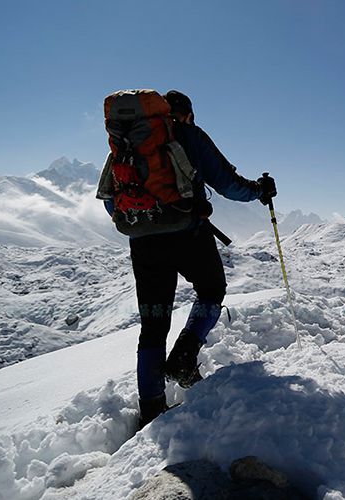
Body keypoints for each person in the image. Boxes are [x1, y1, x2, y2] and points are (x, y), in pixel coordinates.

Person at [99, 89, 276, 428]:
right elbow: (227, 183)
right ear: (187, 114)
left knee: (152, 325)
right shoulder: (189, 135)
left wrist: (145, 222)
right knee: (211, 290)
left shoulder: (126, 146)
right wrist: (260, 189)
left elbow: (111, 201)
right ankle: (185, 352)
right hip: (188, 235)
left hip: (143, 242)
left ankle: (151, 409)